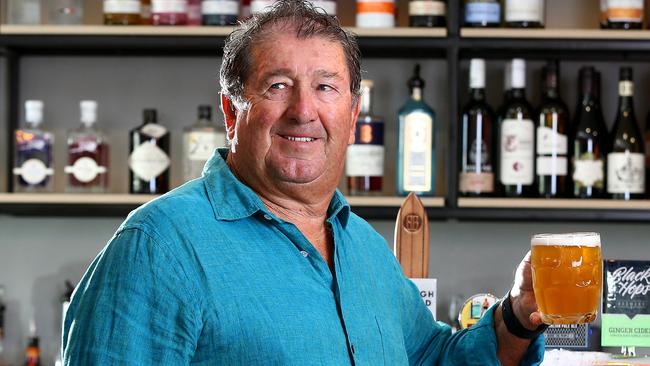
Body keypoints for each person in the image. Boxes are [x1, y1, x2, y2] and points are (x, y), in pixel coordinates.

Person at [62, 1, 546, 364]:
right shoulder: (159, 246)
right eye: (277, 86)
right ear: (232, 112)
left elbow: (431, 359)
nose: (303, 111)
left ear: (352, 115)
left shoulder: (362, 246)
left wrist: (518, 316)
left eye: (325, 87)